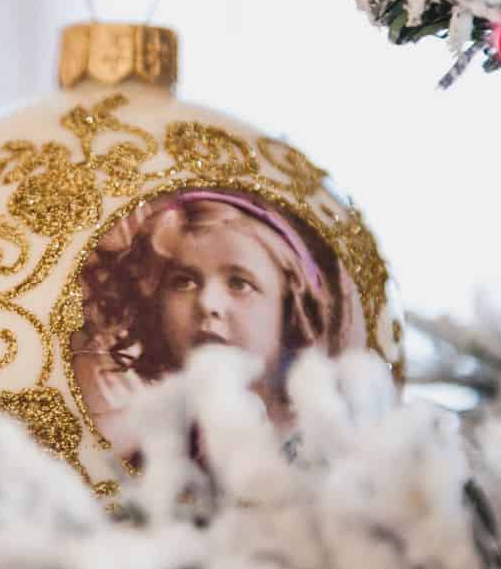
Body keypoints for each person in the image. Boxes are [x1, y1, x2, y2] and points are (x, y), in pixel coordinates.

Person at [71, 189, 348, 460]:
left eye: (240, 284)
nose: (208, 303)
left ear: (289, 311)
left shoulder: (326, 444)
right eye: (184, 282)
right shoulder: (140, 437)